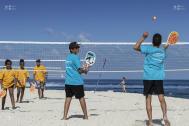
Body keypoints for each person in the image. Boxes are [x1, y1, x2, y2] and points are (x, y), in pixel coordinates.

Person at [133, 32, 170, 126]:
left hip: (148, 77)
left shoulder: (148, 48)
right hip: (158, 78)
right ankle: (165, 119)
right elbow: (161, 51)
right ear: (160, 42)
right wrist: (165, 48)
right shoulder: (163, 52)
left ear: (152, 42)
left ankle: (150, 122)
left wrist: (143, 37)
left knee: (148, 99)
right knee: (161, 98)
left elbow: (135, 47)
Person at [62, 42, 89, 120]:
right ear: (71, 49)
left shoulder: (67, 58)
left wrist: (84, 69)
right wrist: (86, 70)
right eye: (76, 48)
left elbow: (74, 68)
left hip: (68, 82)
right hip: (77, 82)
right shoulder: (75, 57)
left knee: (68, 98)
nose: (78, 49)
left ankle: (64, 117)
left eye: (78, 47)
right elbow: (80, 70)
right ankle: (86, 116)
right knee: (81, 98)